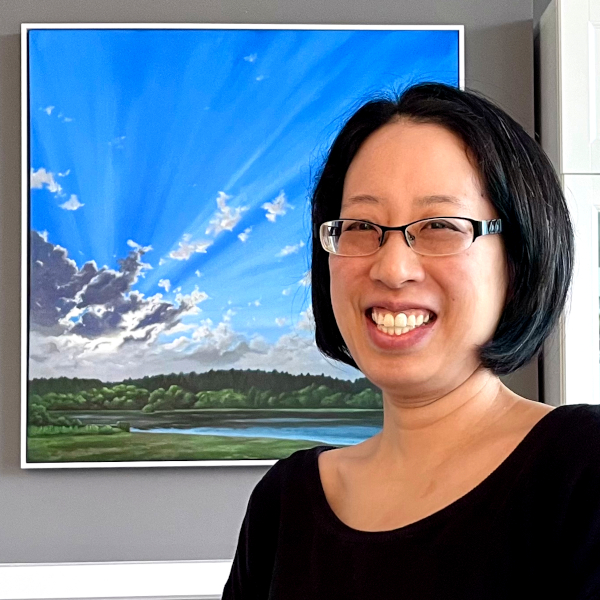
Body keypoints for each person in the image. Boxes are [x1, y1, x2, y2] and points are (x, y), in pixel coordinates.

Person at [221, 82, 600, 599]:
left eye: (440, 225)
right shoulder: (283, 504)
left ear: (519, 256)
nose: (393, 268)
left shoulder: (583, 466)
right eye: (359, 226)